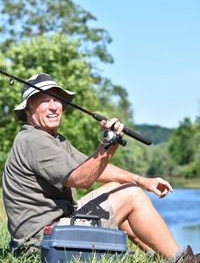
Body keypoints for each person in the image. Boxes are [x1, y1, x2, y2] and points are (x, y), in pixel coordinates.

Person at [2, 73, 200, 263]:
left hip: (52, 233)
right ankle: (184, 260)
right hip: (40, 245)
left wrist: (142, 180)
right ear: (28, 110)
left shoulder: (52, 139)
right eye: (44, 101)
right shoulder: (34, 140)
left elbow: (95, 169)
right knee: (131, 195)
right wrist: (109, 142)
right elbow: (82, 179)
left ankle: (161, 257)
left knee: (120, 187)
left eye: (57, 99)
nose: (53, 107)